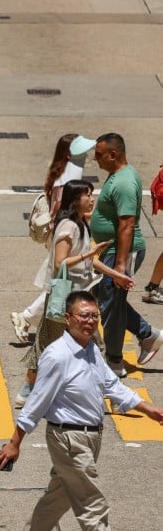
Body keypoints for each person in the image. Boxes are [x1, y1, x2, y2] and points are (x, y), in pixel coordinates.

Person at [0, 290, 163, 531]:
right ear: (68, 318)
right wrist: (15, 442)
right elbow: (36, 402)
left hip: (88, 436)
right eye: (83, 316)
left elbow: (111, 385)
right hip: (68, 438)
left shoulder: (90, 349)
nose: (90, 321)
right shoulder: (58, 355)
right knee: (92, 502)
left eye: (94, 316)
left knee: (58, 496)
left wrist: (147, 408)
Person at [14, 180, 125, 408]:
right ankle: (29, 390)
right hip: (65, 298)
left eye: (91, 194)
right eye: (87, 195)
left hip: (77, 295)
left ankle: (35, 391)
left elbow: (89, 258)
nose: (92, 199)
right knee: (53, 345)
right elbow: (59, 262)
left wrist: (115, 274)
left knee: (73, 345)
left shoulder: (80, 224)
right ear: (75, 201)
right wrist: (90, 254)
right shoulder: (69, 227)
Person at [90, 133, 163, 377]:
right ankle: (148, 334)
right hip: (112, 250)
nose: (95, 159)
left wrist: (119, 265)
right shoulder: (118, 176)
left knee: (110, 305)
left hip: (121, 252)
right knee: (105, 298)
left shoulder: (123, 182)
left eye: (99, 155)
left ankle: (114, 362)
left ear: (114, 154)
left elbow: (127, 224)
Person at [11, 134, 96, 343]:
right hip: (65, 233)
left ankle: (29, 317)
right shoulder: (69, 173)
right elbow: (61, 207)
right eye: (81, 150)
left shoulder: (65, 169)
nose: (88, 154)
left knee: (61, 282)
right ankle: (26, 316)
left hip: (64, 230)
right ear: (69, 153)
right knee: (61, 283)